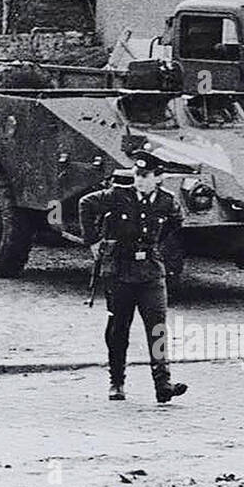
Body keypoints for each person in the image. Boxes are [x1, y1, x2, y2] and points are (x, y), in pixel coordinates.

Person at [79, 150, 188, 404]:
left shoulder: (167, 201)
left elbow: (176, 222)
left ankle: (163, 384)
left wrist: (154, 245)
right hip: (120, 272)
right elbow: (85, 204)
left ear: (158, 178)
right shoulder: (119, 195)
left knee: (158, 328)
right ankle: (117, 382)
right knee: (118, 329)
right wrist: (93, 241)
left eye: (145, 175)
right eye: (137, 174)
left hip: (151, 272)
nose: (139, 179)